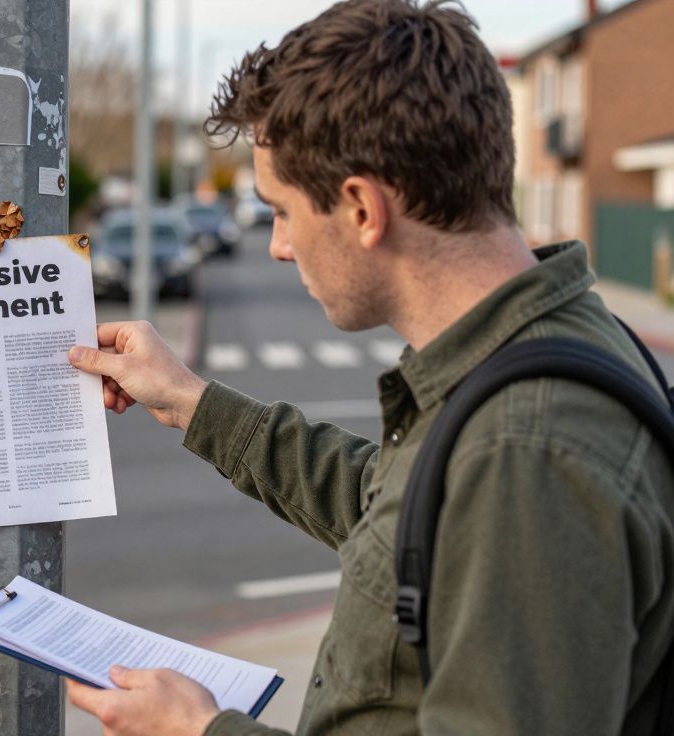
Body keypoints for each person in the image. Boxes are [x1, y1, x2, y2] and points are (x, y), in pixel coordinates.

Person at [64, 1, 674, 734]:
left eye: (282, 211)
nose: (278, 246)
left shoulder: (527, 452)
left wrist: (201, 730)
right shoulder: (540, 342)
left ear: (360, 208)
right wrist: (191, 402)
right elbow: (400, 516)